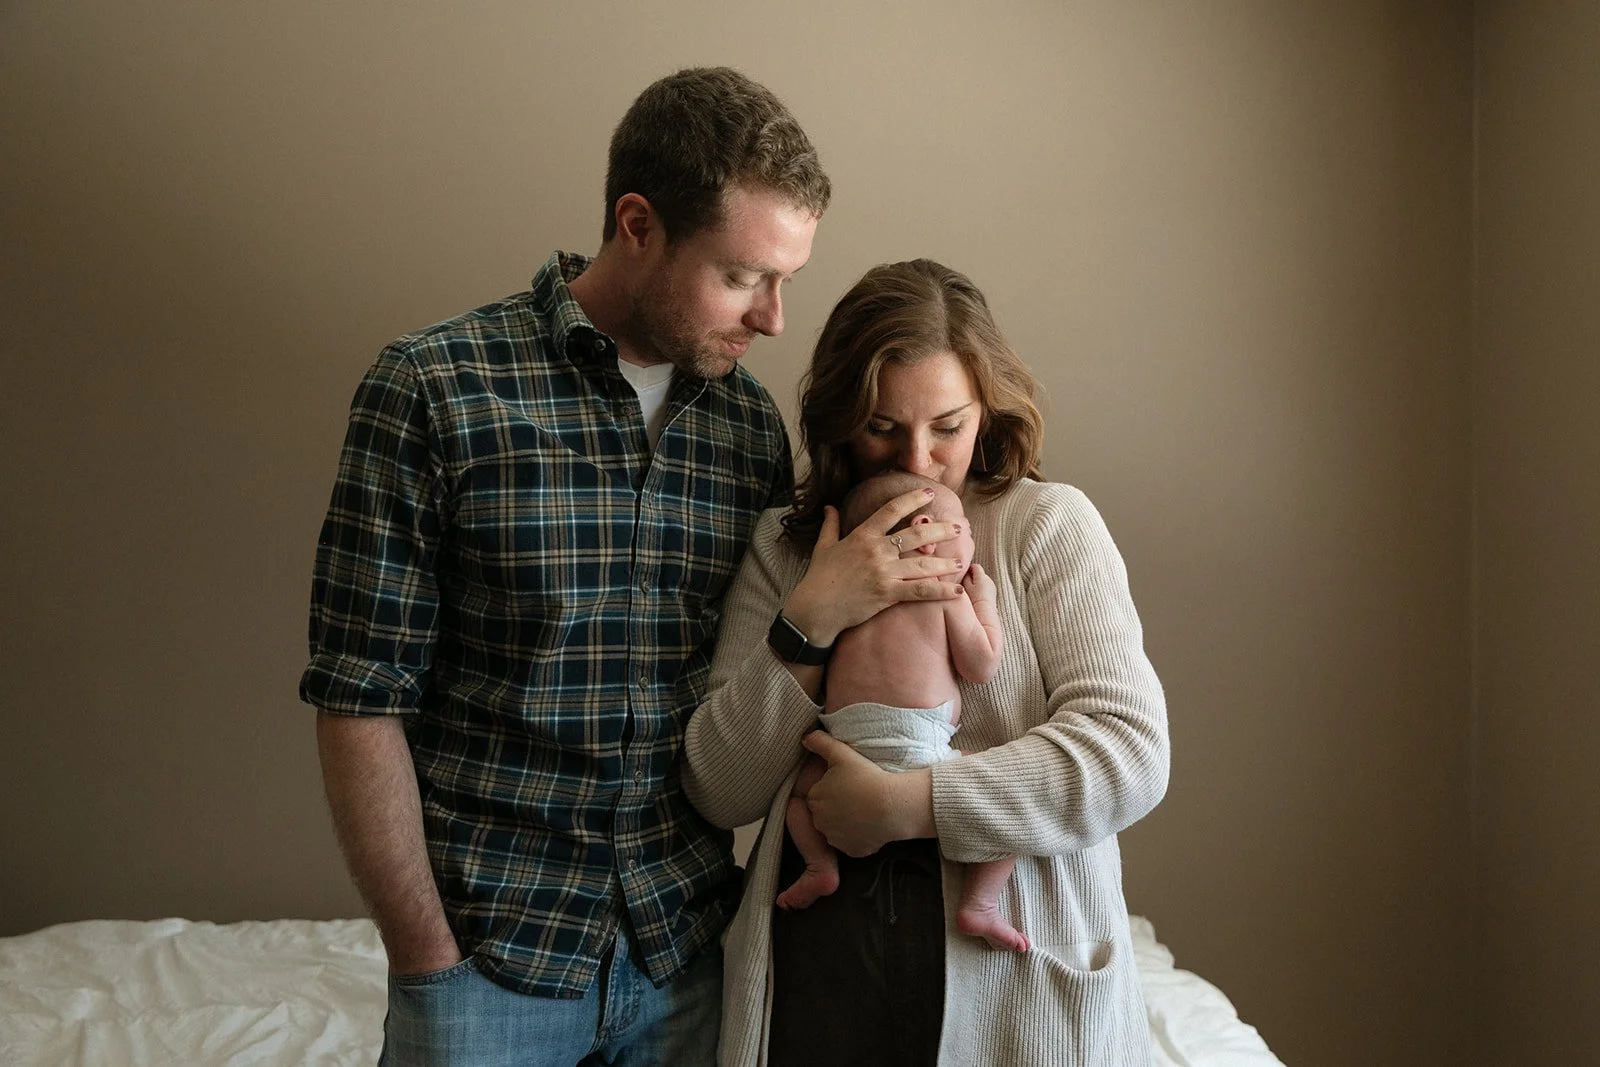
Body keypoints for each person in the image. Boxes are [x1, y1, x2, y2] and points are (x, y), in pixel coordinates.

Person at [299, 67, 830, 1066]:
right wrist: (426, 955)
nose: (772, 320)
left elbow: (753, 692)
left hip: (686, 953)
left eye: (785, 279)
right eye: (742, 275)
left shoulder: (748, 424)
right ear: (637, 224)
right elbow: (359, 693)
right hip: (489, 963)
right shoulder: (432, 390)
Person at [682, 259, 1169, 1066]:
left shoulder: (1045, 527)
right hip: (819, 979)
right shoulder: (785, 547)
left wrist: (911, 804)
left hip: (1019, 1002)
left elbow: (1130, 754)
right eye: (882, 425)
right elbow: (718, 786)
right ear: (842, 419)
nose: (915, 456)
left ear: (988, 411)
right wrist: (814, 616)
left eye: (947, 425)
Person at [775, 470, 1028, 955]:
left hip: (844, 740)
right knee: (1003, 821)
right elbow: (982, 665)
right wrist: (985, 603)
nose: (972, 546)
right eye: (967, 533)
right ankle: (981, 905)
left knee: (800, 798)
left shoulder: (851, 598)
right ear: (930, 537)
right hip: (921, 744)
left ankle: (819, 867)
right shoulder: (943, 593)